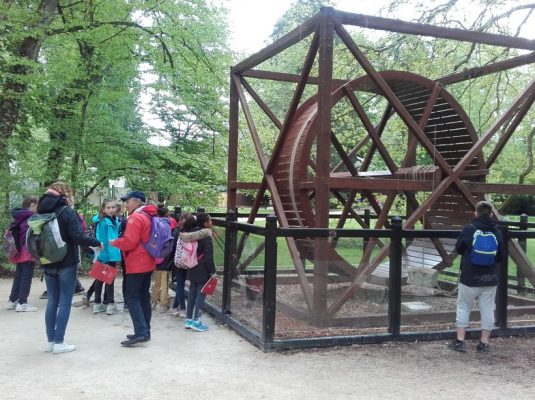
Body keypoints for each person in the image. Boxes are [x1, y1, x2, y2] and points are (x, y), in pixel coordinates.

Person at [38, 182, 102, 354]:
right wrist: (97, 243)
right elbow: (78, 237)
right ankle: (59, 342)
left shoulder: (40, 212)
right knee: (65, 302)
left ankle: (50, 341)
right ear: (64, 195)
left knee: (52, 301)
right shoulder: (66, 212)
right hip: (66, 263)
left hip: (47, 261)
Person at [449, 200, 504, 353]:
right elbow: (501, 256)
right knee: (487, 309)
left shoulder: (469, 229)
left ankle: (460, 342)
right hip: (490, 278)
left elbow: (459, 248)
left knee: (463, 306)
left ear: (476, 213)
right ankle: (484, 343)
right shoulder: (497, 231)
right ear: (491, 214)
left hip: (469, 277)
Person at [110, 191, 156, 347]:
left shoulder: (135, 218)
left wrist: (115, 242)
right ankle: (145, 331)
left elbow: (130, 242)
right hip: (148, 261)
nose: (125, 204)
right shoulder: (148, 216)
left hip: (137, 263)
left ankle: (141, 332)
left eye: (127, 201)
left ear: (137, 202)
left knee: (132, 297)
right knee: (143, 296)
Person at [182, 213, 215, 332]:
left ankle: (189, 319)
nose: (211, 222)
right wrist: (213, 272)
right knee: (201, 294)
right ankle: (197, 321)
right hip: (202, 269)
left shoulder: (190, 234)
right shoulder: (206, 236)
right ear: (205, 223)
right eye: (210, 220)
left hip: (191, 265)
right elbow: (208, 257)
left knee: (192, 293)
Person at [5, 196, 38, 312]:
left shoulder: (19, 215)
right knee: (26, 277)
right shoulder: (30, 217)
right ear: (33, 204)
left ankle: (12, 301)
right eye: (37, 206)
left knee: (19, 276)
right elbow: (31, 234)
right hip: (28, 250)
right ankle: (22, 302)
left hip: (18, 250)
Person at [92, 199, 121, 315]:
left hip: (112, 254)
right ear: (103, 209)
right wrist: (103, 257)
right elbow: (102, 240)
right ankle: (107, 304)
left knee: (104, 279)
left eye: (113, 207)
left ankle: (100, 304)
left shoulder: (114, 220)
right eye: (108, 208)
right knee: (104, 280)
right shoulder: (103, 222)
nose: (111, 209)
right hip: (105, 255)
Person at [150, 205, 173, 313]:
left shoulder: (155, 223)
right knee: (165, 282)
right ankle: (163, 303)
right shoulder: (168, 225)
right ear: (167, 214)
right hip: (166, 257)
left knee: (157, 281)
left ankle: (153, 301)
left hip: (156, 256)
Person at [168, 212, 191, 318]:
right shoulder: (193, 232)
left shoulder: (176, 231)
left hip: (178, 261)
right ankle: (180, 307)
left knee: (180, 284)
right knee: (181, 284)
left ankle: (178, 307)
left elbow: (172, 248)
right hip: (189, 260)